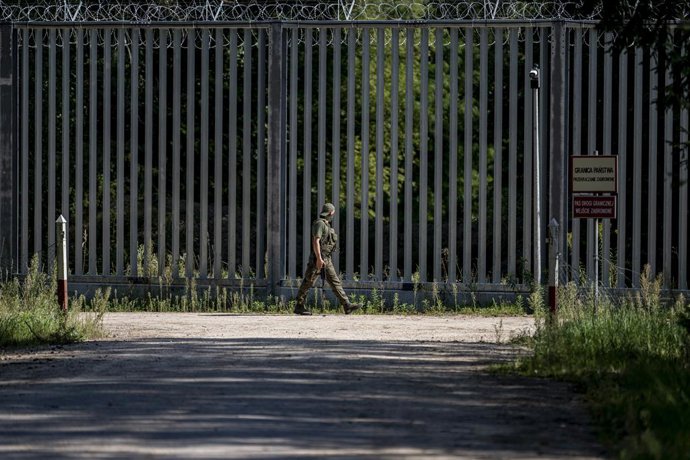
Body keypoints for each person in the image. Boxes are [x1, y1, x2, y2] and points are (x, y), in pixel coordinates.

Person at [294, 203, 362, 316]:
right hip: (318, 259)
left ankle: (347, 305)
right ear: (331, 212)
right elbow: (316, 241)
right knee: (308, 281)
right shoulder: (320, 224)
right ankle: (299, 306)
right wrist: (319, 259)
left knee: (335, 281)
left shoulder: (326, 224)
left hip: (326, 259)